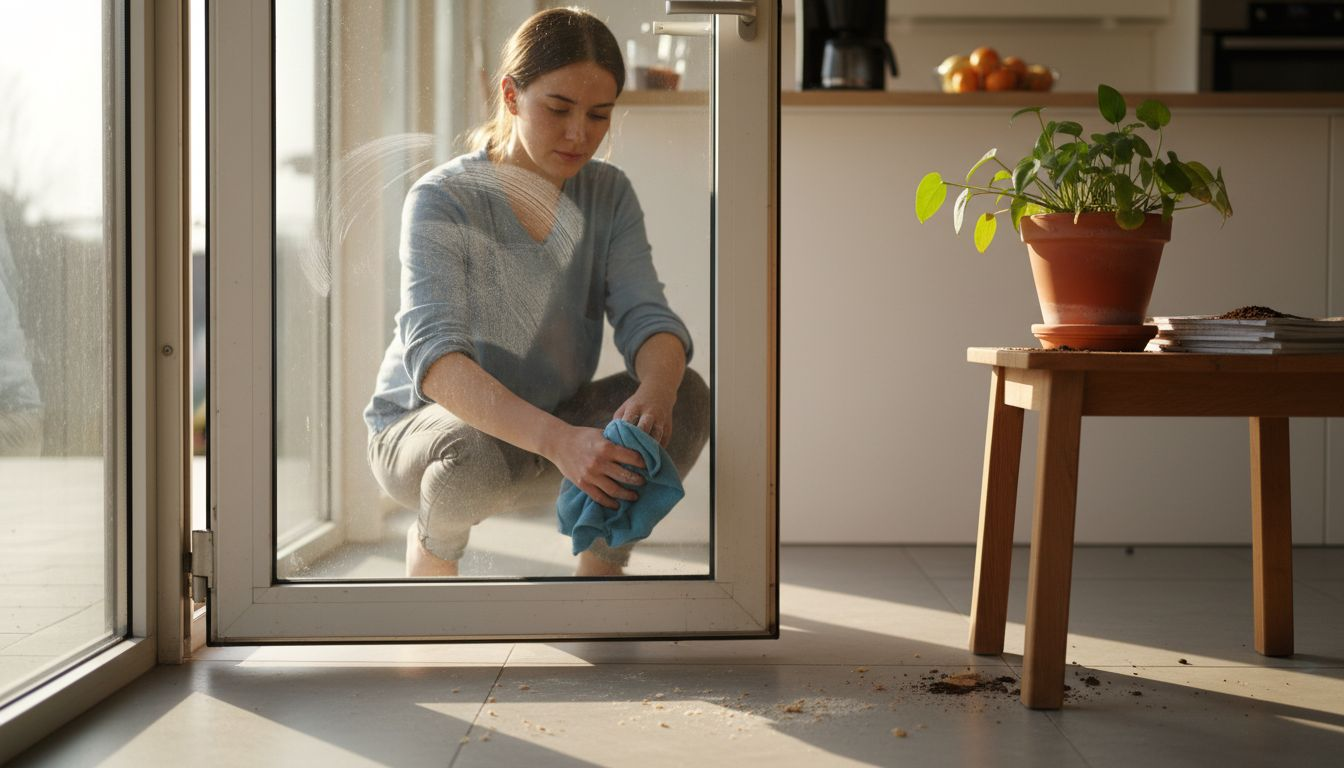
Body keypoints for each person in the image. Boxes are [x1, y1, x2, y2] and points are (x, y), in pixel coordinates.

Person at [364, 7, 709, 578]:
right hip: (430, 436)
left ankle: (600, 571)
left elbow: (647, 315)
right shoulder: (442, 197)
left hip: (551, 431)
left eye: (599, 115)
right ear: (511, 95)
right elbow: (436, 362)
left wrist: (657, 390)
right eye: (558, 108)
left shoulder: (609, 193)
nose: (580, 134)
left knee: (685, 393)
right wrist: (560, 441)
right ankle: (432, 551)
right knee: (473, 451)